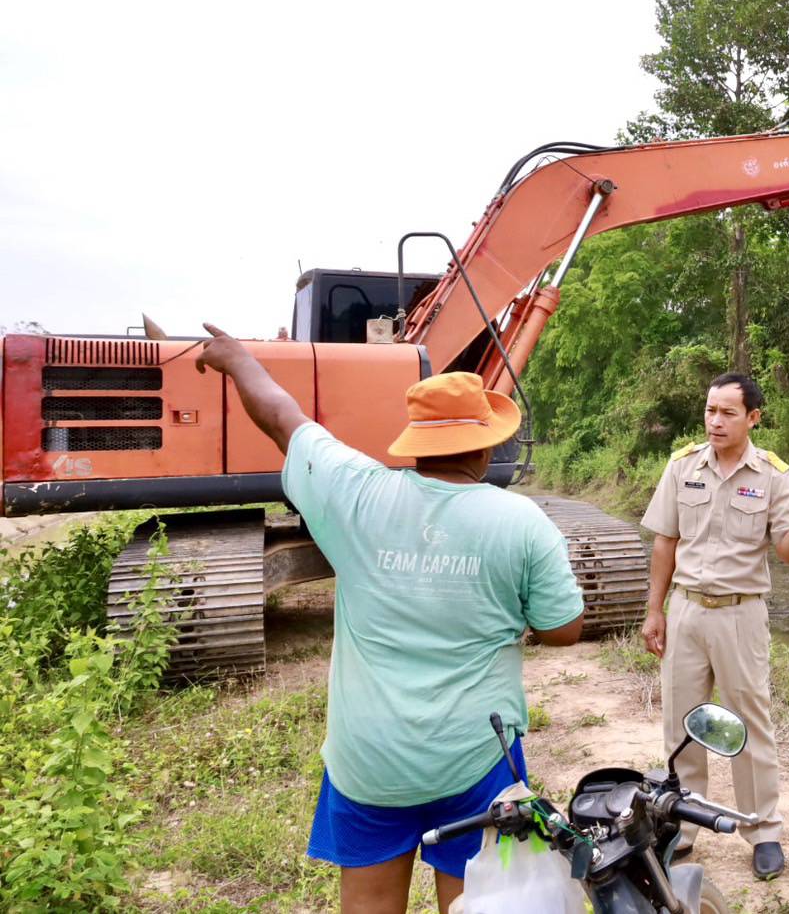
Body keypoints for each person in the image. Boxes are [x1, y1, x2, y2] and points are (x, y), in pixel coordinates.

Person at [194, 324, 585, 914]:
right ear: (483, 448)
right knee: (478, 903)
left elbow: (281, 416)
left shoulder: (353, 494)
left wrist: (238, 360)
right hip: (474, 759)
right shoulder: (523, 522)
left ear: (416, 442)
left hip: (369, 762)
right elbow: (564, 629)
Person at [638, 372, 789, 881]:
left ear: (753, 418)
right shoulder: (682, 467)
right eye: (709, 410)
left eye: (727, 413)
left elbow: (787, 552)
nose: (715, 421)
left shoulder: (772, 475)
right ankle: (683, 825)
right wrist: (654, 610)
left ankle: (762, 830)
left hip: (741, 613)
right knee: (682, 722)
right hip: (686, 610)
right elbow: (665, 543)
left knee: (749, 723)